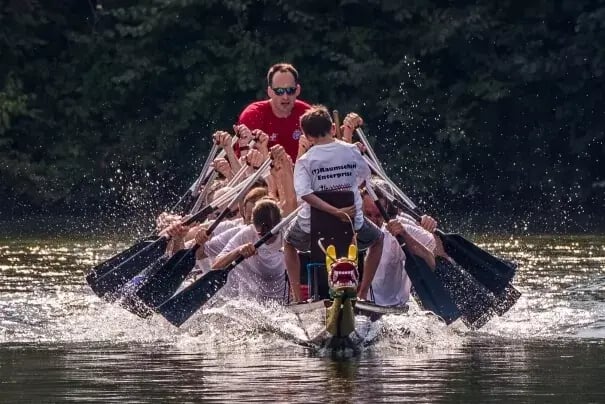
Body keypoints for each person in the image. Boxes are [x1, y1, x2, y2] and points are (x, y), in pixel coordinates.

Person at [283, 105, 384, 302]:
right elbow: (363, 176)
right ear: (332, 128)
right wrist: (340, 207)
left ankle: (297, 298)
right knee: (379, 240)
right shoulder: (352, 151)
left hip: (311, 227)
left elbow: (304, 194)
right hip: (352, 222)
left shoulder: (305, 161)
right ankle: (362, 294)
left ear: (308, 137)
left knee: (287, 243)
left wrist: (333, 211)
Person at [361, 183, 438, 306]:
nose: (373, 221)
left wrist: (410, 234)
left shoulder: (398, 230)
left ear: (386, 210)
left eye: (378, 216)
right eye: (368, 214)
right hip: (360, 303)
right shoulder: (351, 227)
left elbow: (431, 262)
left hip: (391, 308)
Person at [212, 198, 288, 303]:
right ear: (254, 225)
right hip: (252, 303)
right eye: (262, 235)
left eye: (273, 234)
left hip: (283, 299)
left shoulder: (287, 229)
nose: (269, 239)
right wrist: (238, 250)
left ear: (279, 223)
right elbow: (216, 266)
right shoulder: (246, 234)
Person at [237, 63, 311, 161]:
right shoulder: (253, 115)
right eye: (279, 91)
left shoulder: (308, 114)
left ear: (298, 90)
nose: (285, 97)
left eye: (290, 90)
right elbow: (241, 162)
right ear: (270, 92)